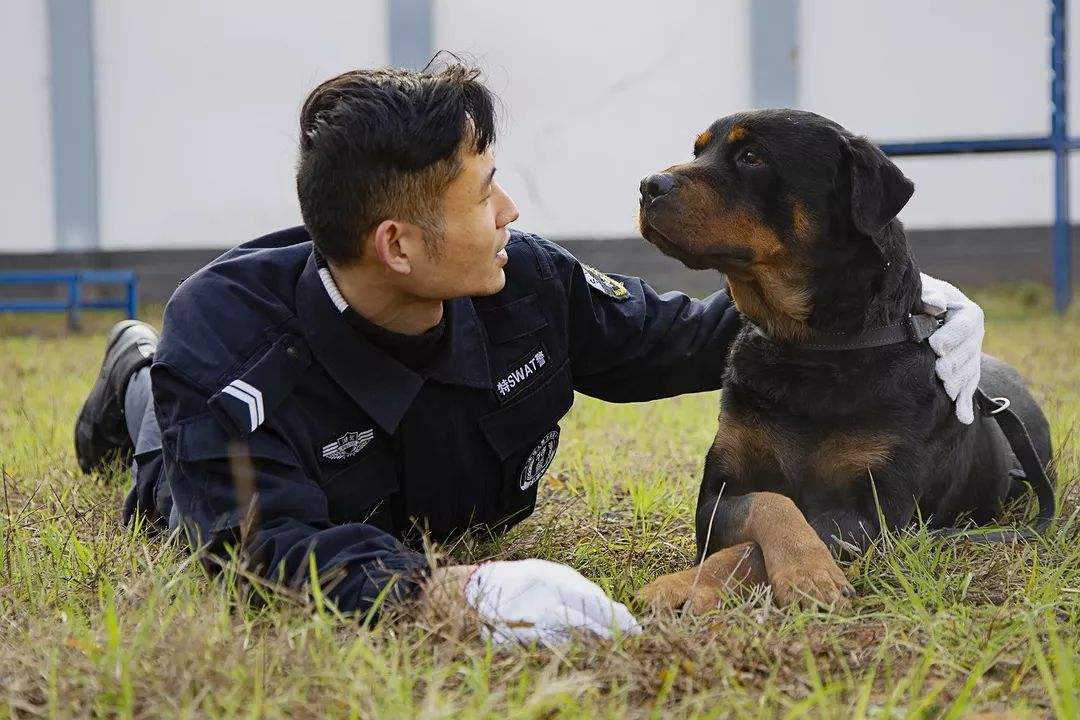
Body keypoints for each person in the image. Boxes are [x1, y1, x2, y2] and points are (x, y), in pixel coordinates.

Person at [73, 64, 984, 643]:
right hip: (194, 426)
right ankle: (133, 372)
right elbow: (262, 550)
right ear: (398, 245)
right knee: (166, 443)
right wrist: (453, 590)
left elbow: (681, 337)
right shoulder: (231, 346)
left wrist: (909, 301)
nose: (510, 214)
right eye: (484, 196)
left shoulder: (527, 285)